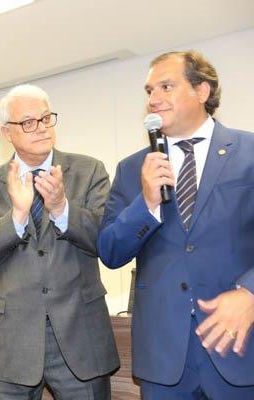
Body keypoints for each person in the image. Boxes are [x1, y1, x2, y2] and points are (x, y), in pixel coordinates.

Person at [97, 50, 254, 399]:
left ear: (202, 91)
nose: (153, 99)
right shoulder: (131, 168)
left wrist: (250, 292)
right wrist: (146, 204)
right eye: (149, 90)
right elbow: (109, 251)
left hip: (239, 345)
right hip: (164, 356)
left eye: (166, 86)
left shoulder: (249, 151)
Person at [0, 84, 119, 400]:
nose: (41, 128)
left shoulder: (88, 171)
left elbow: (106, 241)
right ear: (7, 132)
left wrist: (62, 208)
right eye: (28, 122)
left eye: (46, 118)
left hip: (80, 336)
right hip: (13, 343)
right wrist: (17, 216)